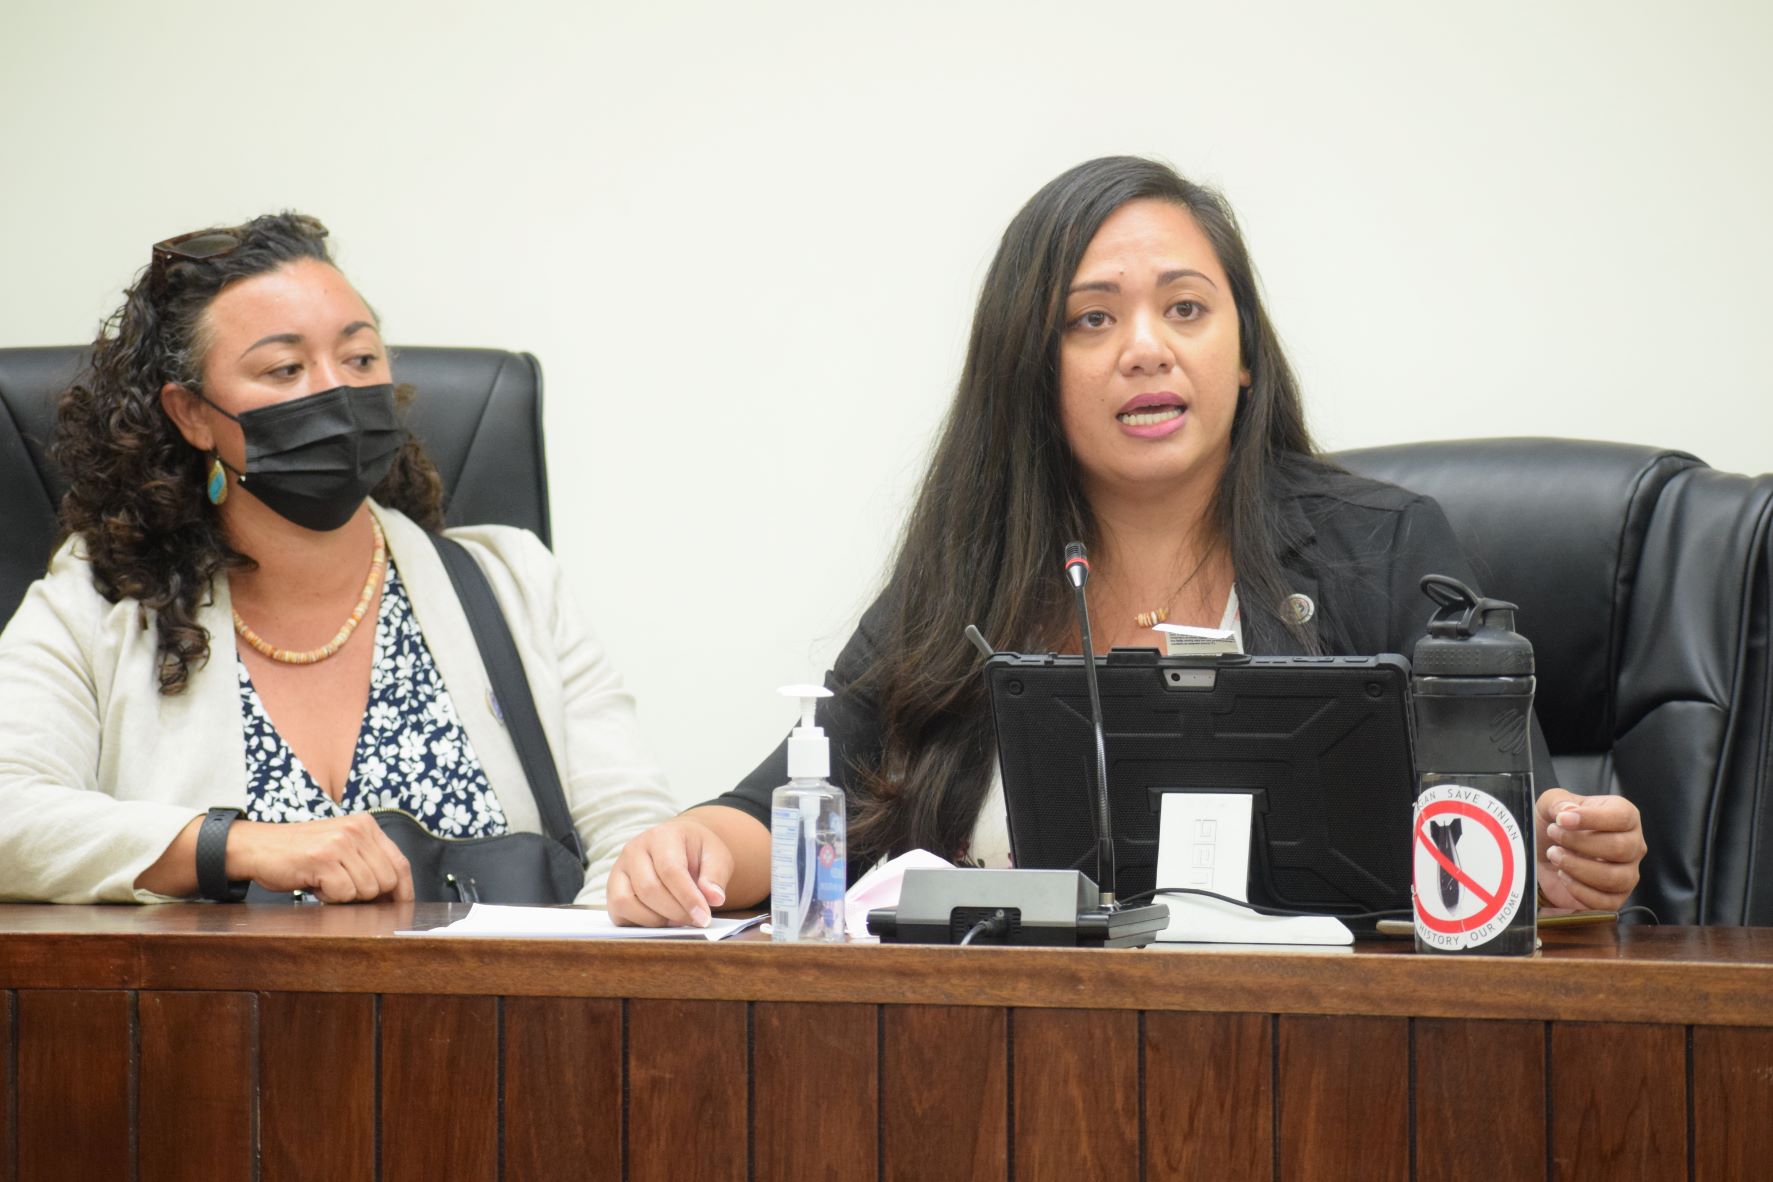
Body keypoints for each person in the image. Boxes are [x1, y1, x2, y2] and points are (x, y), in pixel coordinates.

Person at [607, 156, 1647, 927]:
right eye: (1090, 321)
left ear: (1243, 354)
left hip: (1333, 1070)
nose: (1145, 349)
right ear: (1033, 371)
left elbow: (1522, 840)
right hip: (994, 1074)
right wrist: (686, 849)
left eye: (1186, 309)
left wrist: (1566, 871)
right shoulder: (969, 574)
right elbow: (787, 803)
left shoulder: (1382, 553)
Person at [0, 213, 674, 904]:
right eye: (285, 368)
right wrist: (234, 845)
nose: (337, 392)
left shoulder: (513, 583)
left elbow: (634, 840)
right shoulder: (101, 601)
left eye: (359, 359)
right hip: (211, 1010)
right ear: (193, 414)